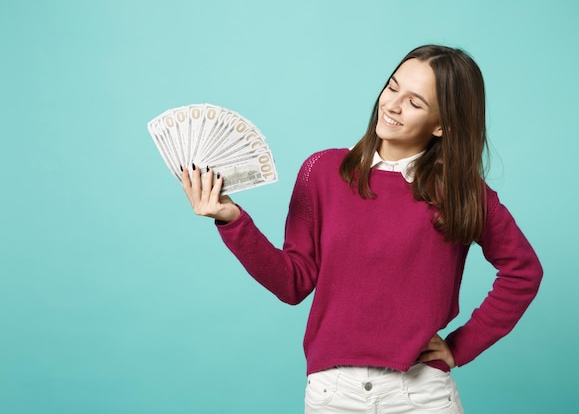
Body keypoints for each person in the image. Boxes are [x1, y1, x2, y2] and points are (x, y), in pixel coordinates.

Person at [181, 44, 543, 414]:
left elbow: (523, 271)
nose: (392, 105)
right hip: (333, 395)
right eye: (392, 87)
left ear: (442, 124)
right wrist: (231, 219)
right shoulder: (321, 171)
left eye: (415, 102)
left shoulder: (461, 191)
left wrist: (460, 346)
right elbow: (292, 283)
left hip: (421, 395)